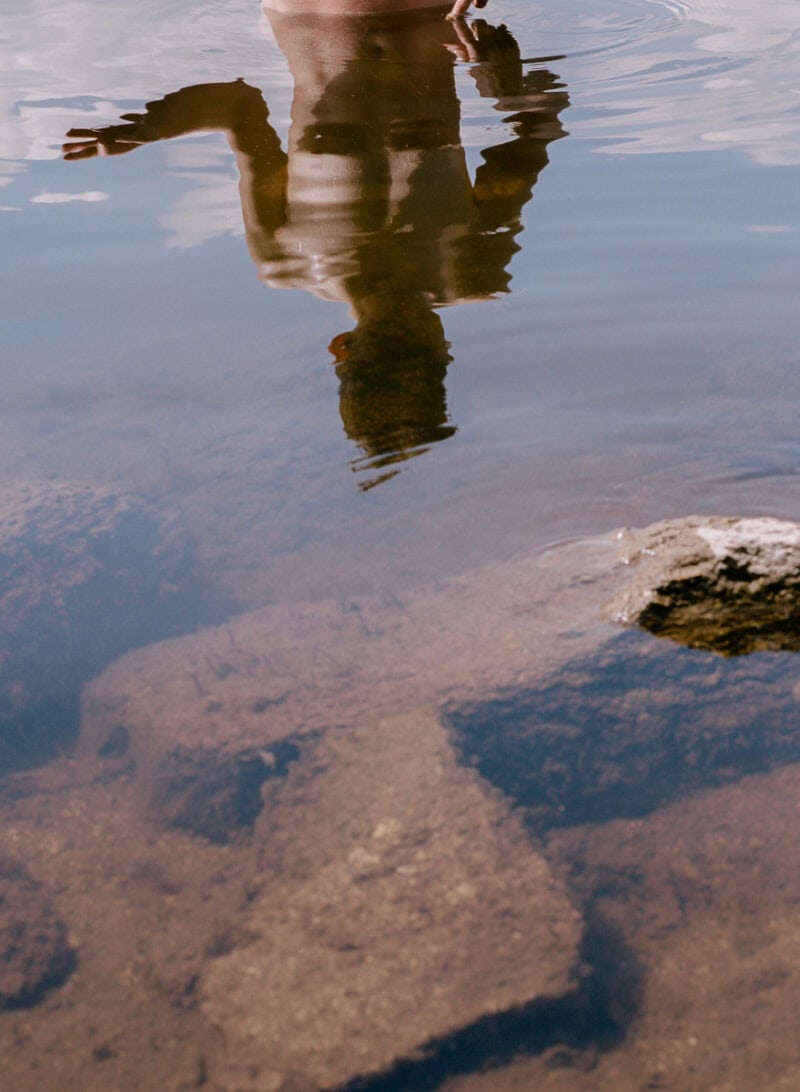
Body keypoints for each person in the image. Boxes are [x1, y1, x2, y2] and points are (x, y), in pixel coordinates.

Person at [64, 7, 568, 488]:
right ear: (442, 348)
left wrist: (150, 128)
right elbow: (541, 124)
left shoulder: (286, 256)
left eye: (390, 337)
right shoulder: (476, 267)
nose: (410, 315)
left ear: (341, 348)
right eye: (418, 342)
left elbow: (236, 105)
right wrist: (504, 85)